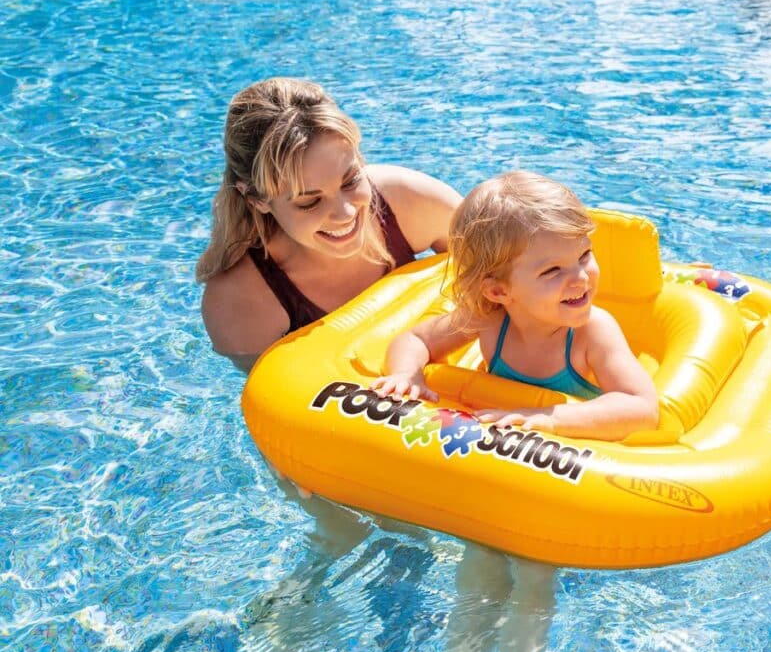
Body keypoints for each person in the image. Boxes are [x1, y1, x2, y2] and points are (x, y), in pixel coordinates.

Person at [197, 77, 462, 372]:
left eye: (351, 180)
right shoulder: (242, 301)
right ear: (257, 199)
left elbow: (500, 272)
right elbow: (270, 394)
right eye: (309, 201)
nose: (345, 213)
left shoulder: (408, 203)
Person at [371, 170, 659, 441]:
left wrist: (549, 419)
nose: (581, 277)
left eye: (584, 255)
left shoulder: (593, 332)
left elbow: (642, 408)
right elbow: (416, 339)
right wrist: (407, 376)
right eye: (553, 271)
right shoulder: (488, 318)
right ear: (498, 291)